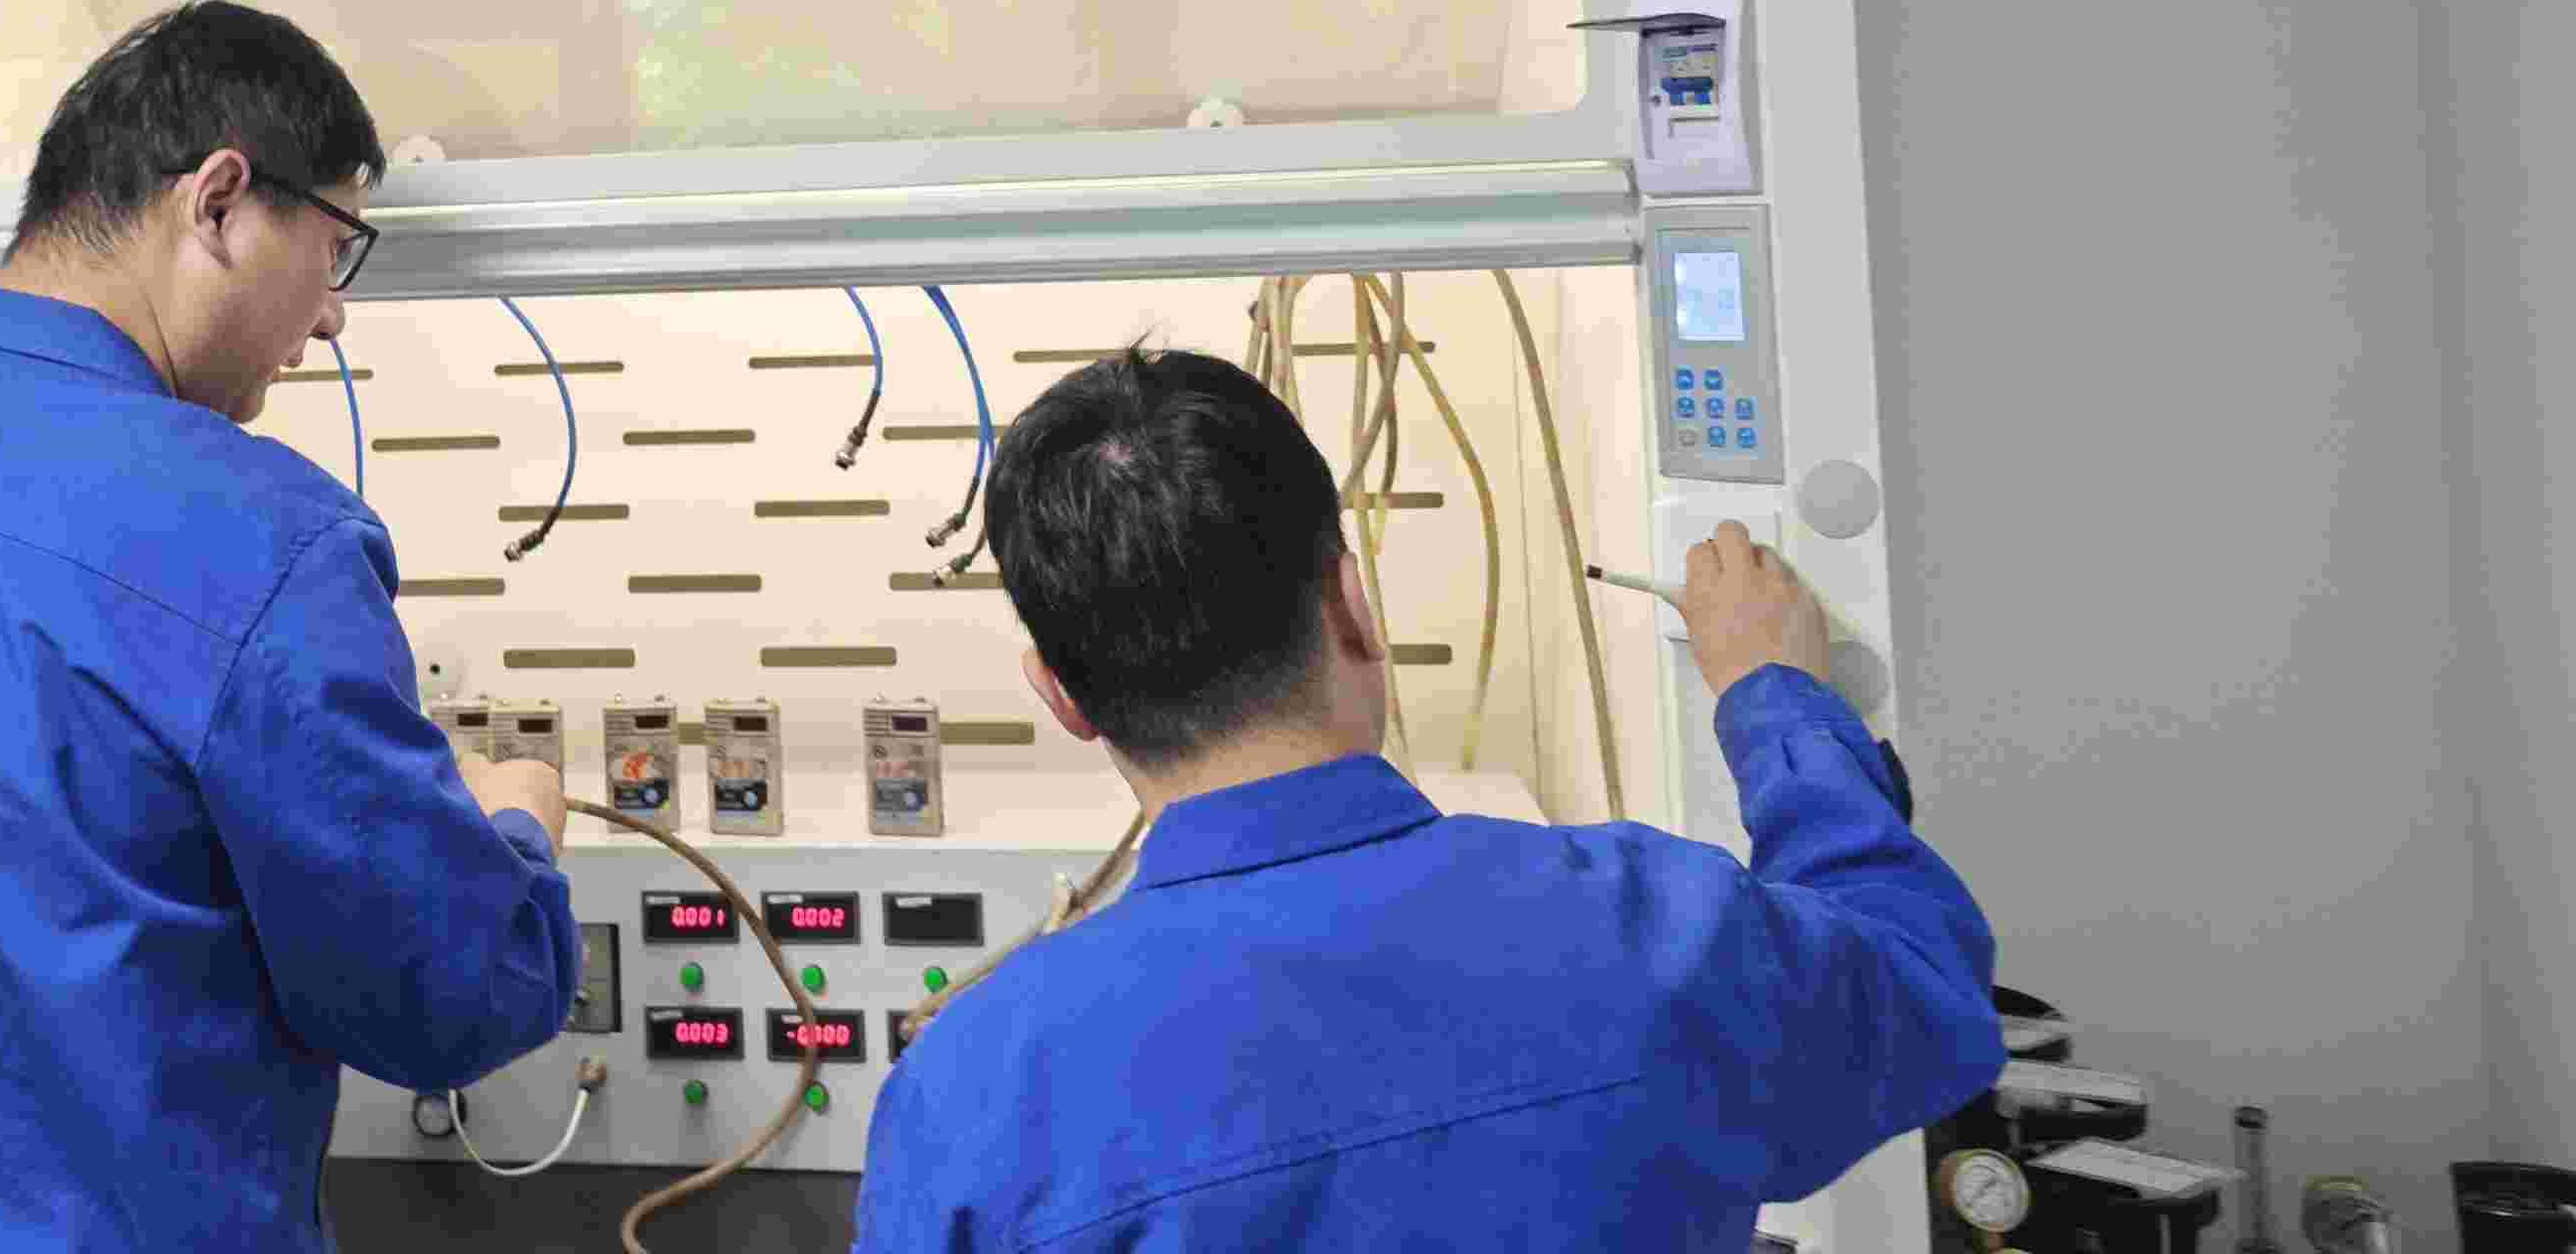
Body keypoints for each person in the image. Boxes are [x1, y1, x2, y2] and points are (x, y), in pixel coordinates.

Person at [0, 0, 580, 1252]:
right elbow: (444, 1002)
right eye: (336, 248)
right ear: (220, 202)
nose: (330, 314)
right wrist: (516, 827)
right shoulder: (255, 534)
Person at [855, 347, 2000, 1252]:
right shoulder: (1660, 935)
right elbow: (1927, 988)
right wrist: (1772, 696)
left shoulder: (973, 1092)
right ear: (1353, 610)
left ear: (1061, 696)